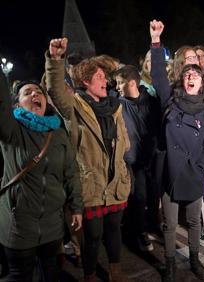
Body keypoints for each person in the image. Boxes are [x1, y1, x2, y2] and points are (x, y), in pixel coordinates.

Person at [45, 38, 131, 282]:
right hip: (91, 185)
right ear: (86, 82)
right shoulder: (74, 106)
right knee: (93, 237)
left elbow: (125, 140)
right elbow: (55, 90)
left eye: (105, 77)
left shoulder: (114, 106)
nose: (106, 81)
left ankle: (116, 273)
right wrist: (55, 60)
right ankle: (90, 275)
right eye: (100, 77)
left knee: (114, 232)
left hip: (116, 183)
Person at [150, 20, 204, 281]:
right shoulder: (171, 100)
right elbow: (157, 76)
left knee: (193, 222)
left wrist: (201, 166)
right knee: (168, 224)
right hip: (170, 172)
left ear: (203, 81)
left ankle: (195, 261)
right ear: (182, 79)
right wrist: (156, 41)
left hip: (194, 173)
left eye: (196, 74)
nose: (191, 77)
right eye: (187, 74)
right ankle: (169, 265)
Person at [0, 73, 83, 281]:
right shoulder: (11, 130)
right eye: (27, 93)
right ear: (17, 104)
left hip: (52, 226)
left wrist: (76, 207)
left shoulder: (58, 133)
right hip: (19, 226)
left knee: (51, 274)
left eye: (39, 92)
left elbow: (71, 172)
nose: (35, 94)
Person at [114, 65, 161, 252]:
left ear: (132, 82)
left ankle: (154, 226)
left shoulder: (152, 101)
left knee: (153, 195)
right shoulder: (117, 105)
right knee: (138, 197)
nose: (117, 86)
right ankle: (140, 232)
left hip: (152, 157)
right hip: (133, 161)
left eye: (120, 82)